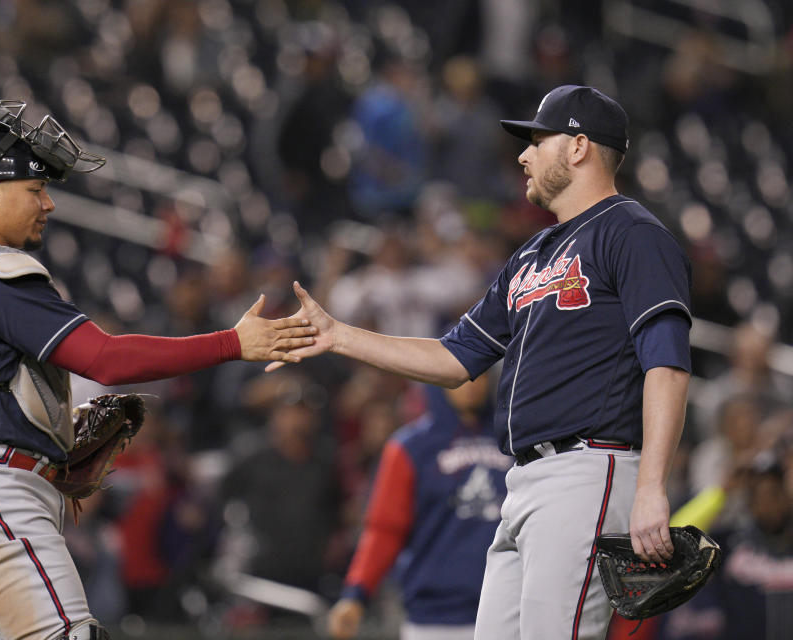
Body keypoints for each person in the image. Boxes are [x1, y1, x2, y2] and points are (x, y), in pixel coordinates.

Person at [275, 85, 692, 640]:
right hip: (524, 482)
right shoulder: (530, 254)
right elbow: (453, 358)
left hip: (590, 469)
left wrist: (651, 487)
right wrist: (340, 336)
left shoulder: (632, 232)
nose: (523, 155)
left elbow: (667, 361)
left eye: (537, 141)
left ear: (578, 147)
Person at [0, 100, 316, 640]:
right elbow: (106, 361)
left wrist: (10, 440)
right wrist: (232, 342)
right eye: (34, 188)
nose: (47, 203)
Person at [328, 378, 510, 640]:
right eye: (463, 374)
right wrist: (355, 593)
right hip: (433, 620)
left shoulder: (512, 439)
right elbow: (384, 530)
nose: (471, 382)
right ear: (438, 376)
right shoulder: (409, 447)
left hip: (506, 613)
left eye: (480, 373)